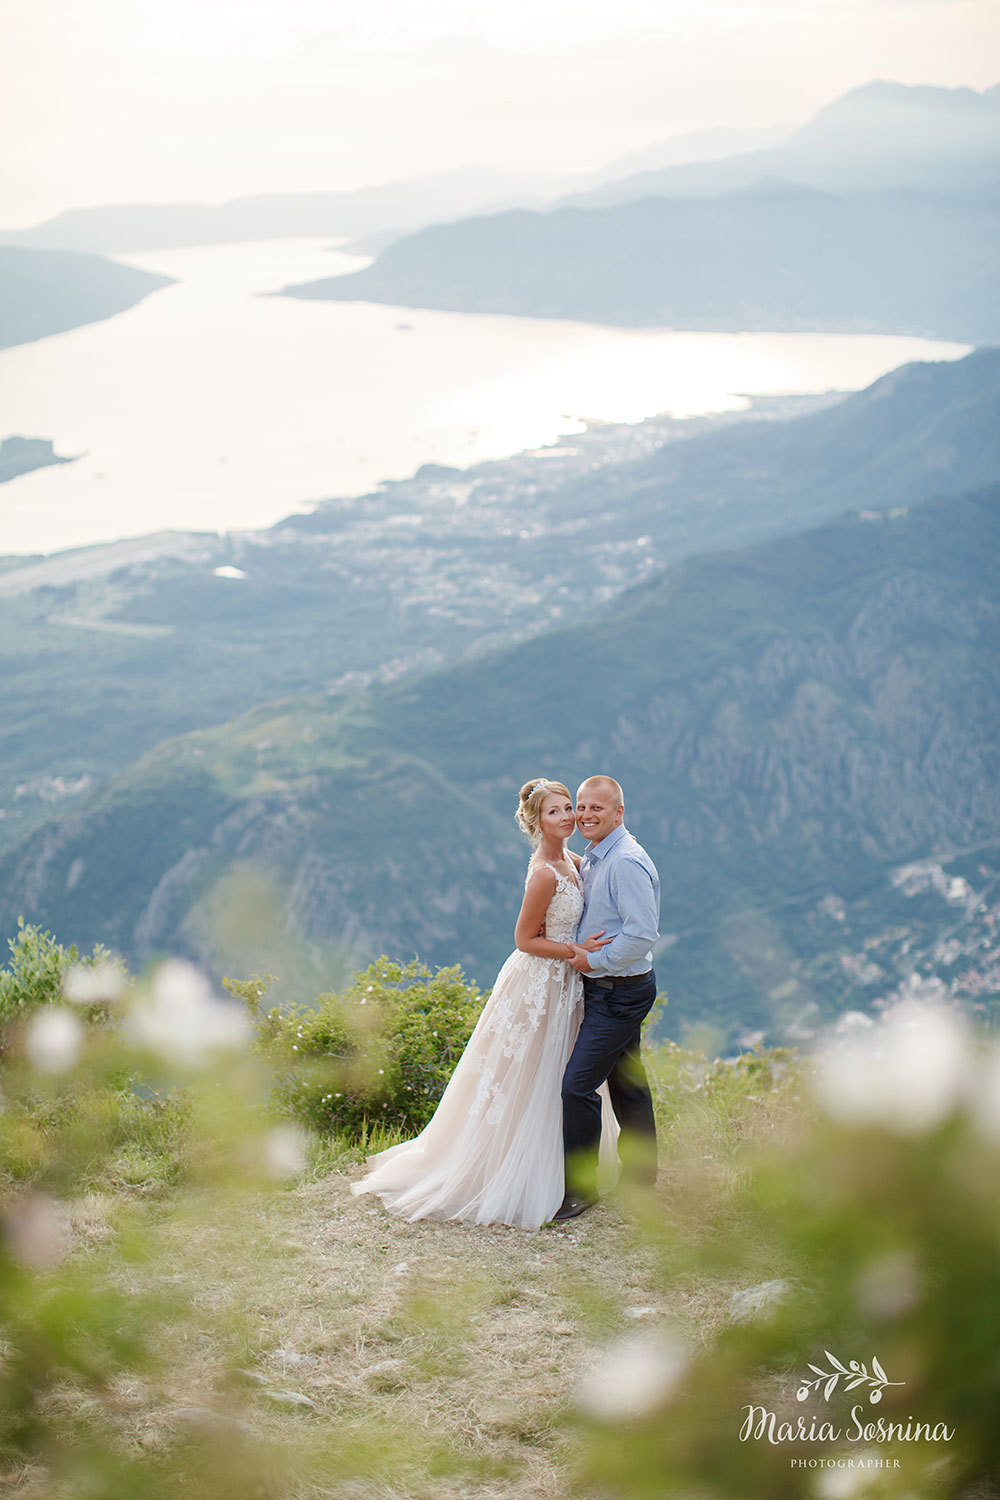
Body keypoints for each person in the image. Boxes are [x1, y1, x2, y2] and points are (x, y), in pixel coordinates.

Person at [350, 778, 619, 1230]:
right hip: (540, 983)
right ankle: (505, 1169)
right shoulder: (543, 874)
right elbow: (524, 940)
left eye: (569, 807)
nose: (568, 816)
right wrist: (577, 951)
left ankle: (560, 1166)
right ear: (537, 822)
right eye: (555, 812)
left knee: (557, 1072)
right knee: (525, 1073)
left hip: (567, 985)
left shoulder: (573, 861)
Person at [550, 775, 660, 1223]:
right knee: (626, 1083)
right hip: (611, 988)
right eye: (581, 806)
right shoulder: (599, 855)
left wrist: (593, 962)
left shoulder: (625, 862)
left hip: (619, 991)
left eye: (597, 807)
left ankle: (580, 1190)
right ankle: (641, 1178)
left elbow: (642, 933)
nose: (585, 814)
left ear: (619, 813)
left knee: (577, 1086)